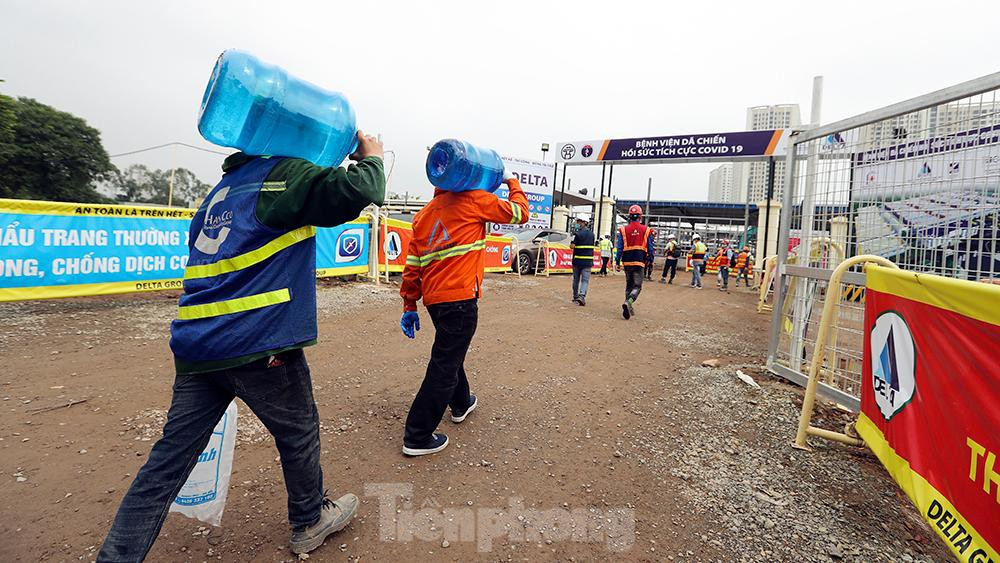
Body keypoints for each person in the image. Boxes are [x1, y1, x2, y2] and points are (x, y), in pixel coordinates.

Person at [98, 132, 387, 561]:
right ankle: (309, 520)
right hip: (258, 343)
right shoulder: (284, 174)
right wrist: (372, 156)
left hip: (198, 346)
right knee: (298, 431)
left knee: (167, 463)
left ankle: (116, 557)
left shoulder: (224, 187)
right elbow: (359, 191)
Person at [399, 168, 529, 456]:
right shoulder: (473, 200)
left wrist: (409, 304)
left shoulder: (423, 215)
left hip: (435, 302)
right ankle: (417, 435)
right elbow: (520, 213)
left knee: (450, 351)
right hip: (460, 301)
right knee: (444, 362)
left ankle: (461, 403)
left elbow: (412, 267)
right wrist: (511, 181)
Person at [615, 204, 654, 320]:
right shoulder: (646, 230)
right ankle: (629, 302)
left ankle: (628, 306)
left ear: (629, 216)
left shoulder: (623, 230)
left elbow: (620, 247)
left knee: (629, 285)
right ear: (640, 216)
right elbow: (650, 248)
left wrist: (617, 261)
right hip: (639, 261)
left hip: (627, 262)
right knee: (637, 286)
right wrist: (651, 260)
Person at [570, 213, 595, 306]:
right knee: (585, 280)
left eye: (579, 221)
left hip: (577, 261)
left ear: (584, 223)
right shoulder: (592, 234)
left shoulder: (577, 234)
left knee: (576, 280)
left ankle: (576, 296)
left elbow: (572, 246)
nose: (577, 223)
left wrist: (573, 241)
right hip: (588, 262)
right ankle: (582, 296)